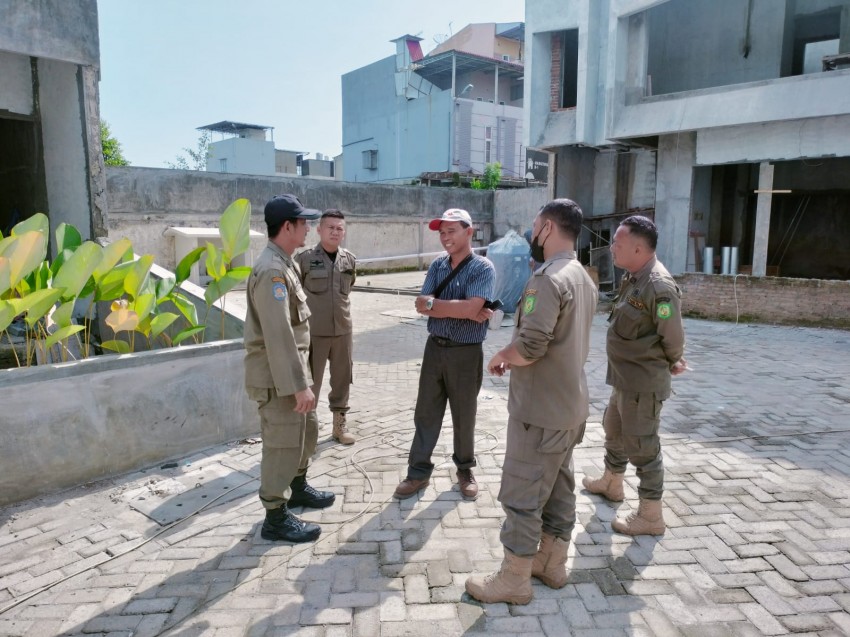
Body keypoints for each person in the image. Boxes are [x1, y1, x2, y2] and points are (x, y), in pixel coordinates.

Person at [465, 199, 597, 605]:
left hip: (539, 413)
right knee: (558, 488)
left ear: (548, 228)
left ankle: (515, 579)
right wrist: (516, 350)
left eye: (535, 227)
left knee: (522, 495)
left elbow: (534, 345)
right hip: (568, 409)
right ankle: (551, 563)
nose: (530, 236)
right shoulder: (583, 277)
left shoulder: (547, 279)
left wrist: (504, 356)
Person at [582, 215, 687, 536]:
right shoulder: (635, 277)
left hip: (643, 383)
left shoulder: (658, 286)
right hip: (625, 379)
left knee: (643, 446)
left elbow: (673, 335)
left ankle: (651, 515)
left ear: (639, 249)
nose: (612, 247)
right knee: (613, 428)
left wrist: (674, 359)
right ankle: (612, 483)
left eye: (618, 243)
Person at [243, 194, 337, 543]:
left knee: (305, 432)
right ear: (287, 227)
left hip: (294, 372)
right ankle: (275, 516)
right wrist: (298, 385)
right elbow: (279, 336)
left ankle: (296, 487)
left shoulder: (284, 263)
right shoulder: (271, 271)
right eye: (303, 223)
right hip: (278, 377)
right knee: (282, 443)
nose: (309, 228)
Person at [394, 208, 496, 501]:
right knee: (426, 412)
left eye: (452, 231)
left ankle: (465, 470)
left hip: (466, 353)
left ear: (469, 232)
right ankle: (418, 472)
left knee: (464, 415)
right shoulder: (438, 265)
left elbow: (466, 308)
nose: (445, 237)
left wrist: (440, 305)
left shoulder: (482, 268)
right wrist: (463, 308)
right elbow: (420, 303)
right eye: (442, 232)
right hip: (434, 348)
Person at [295, 209, 357, 445]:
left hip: (343, 330)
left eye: (339, 228)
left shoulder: (349, 259)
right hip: (314, 333)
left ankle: (339, 427)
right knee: (311, 383)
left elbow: (348, 287)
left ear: (344, 232)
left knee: (342, 379)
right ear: (319, 230)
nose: (335, 231)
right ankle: (307, 431)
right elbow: (296, 294)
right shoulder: (304, 259)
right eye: (330, 227)